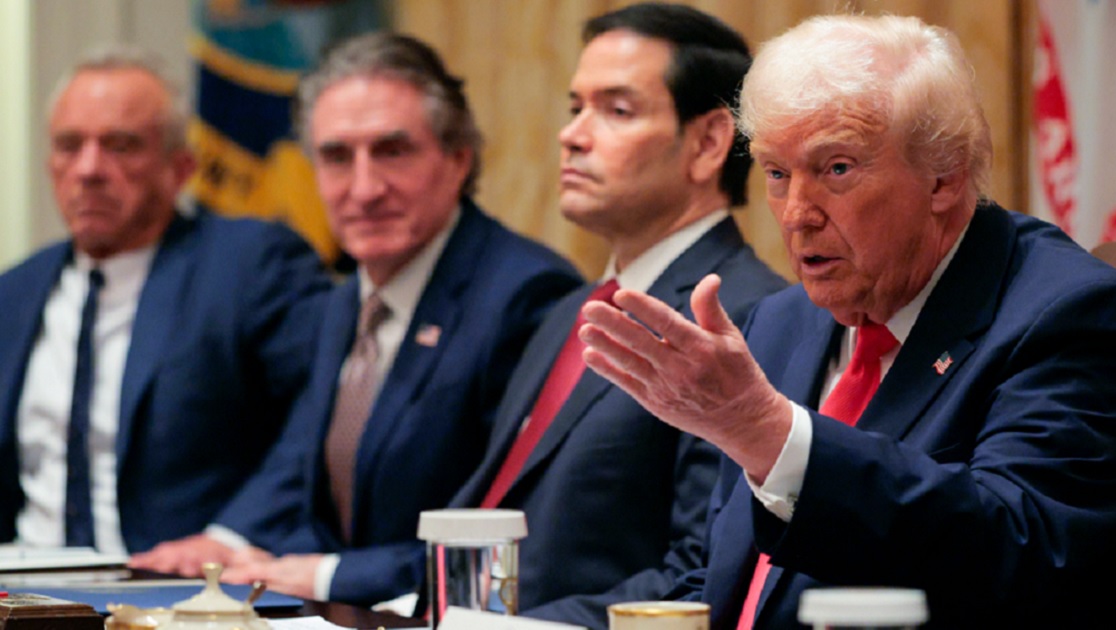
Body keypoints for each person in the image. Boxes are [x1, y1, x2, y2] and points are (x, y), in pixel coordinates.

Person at [580, 14, 1116, 629]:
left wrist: (765, 432)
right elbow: (731, 581)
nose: (795, 214)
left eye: (836, 169)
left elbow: (1016, 551)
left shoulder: (1070, 316)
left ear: (944, 176)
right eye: (778, 174)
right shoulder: (779, 323)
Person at [128, 33, 582, 606]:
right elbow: (307, 464)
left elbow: (513, 540)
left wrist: (326, 576)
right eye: (337, 157)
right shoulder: (346, 299)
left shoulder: (525, 295)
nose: (363, 189)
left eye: (392, 151)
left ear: (457, 159)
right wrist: (228, 544)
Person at [444, 4, 787, 628]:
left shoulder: (743, 316)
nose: (572, 135)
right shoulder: (569, 312)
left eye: (617, 110)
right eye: (576, 106)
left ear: (709, 143)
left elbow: (703, 571)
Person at [0, 47, 330, 555]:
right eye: (69, 145)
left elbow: (324, 414)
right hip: (23, 581)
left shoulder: (250, 265)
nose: (89, 169)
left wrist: (229, 539)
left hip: (178, 583)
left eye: (121, 145)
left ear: (181, 167)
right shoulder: (15, 292)